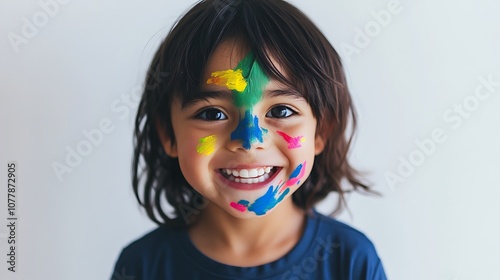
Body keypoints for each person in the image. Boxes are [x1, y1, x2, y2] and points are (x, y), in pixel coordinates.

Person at [111, 0, 387, 279]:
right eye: (212, 114)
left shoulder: (351, 261)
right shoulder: (141, 266)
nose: (249, 139)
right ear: (168, 134)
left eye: (281, 111)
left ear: (321, 132)